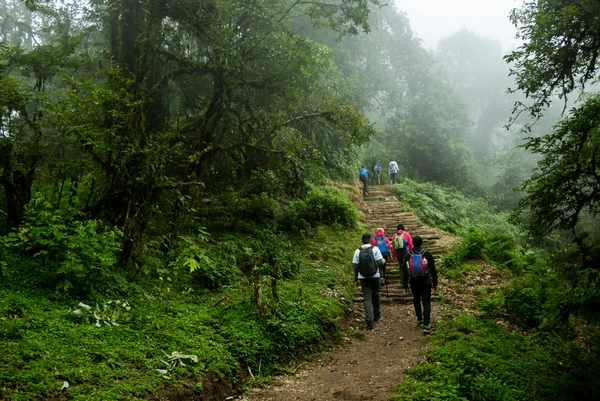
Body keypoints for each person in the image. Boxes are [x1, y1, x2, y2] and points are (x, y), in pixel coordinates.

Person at [402, 235, 437, 334]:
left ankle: (419, 319)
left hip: (414, 281)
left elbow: (405, 271)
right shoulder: (427, 254)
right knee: (426, 302)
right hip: (425, 281)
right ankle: (426, 325)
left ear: (412, 243)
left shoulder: (408, 255)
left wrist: (405, 283)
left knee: (416, 299)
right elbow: (433, 270)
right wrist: (435, 283)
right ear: (422, 243)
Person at [352, 233, 386, 330]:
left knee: (367, 298)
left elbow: (355, 265)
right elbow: (380, 262)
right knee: (376, 294)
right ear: (370, 240)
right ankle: (377, 314)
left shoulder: (358, 251)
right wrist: (383, 261)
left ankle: (369, 321)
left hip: (363, 277)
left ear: (362, 240)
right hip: (375, 276)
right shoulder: (375, 249)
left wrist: (356, 277)